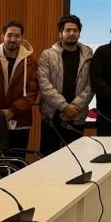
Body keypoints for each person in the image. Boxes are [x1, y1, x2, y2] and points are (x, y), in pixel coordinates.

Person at [37, 14, 93, 155]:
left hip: (76, 115)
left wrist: (74, 108)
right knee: (48, 159)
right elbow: (44, 84)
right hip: (52, 116)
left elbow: (90, 85)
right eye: (68, 30)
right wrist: (64, 107)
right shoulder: (47, 55)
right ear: (60, 33)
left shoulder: (88, 56)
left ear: (79, 33)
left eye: (75, 30)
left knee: (75, 159)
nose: (72, 33)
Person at [0, 20, 39, 153]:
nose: (13, 39)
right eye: (9, 35)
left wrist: (12, 110)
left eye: (17, 36)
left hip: (21, 121)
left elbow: (32, 91)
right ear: (2, 37)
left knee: (18, 160)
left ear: (22, 38)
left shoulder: (31, 62)